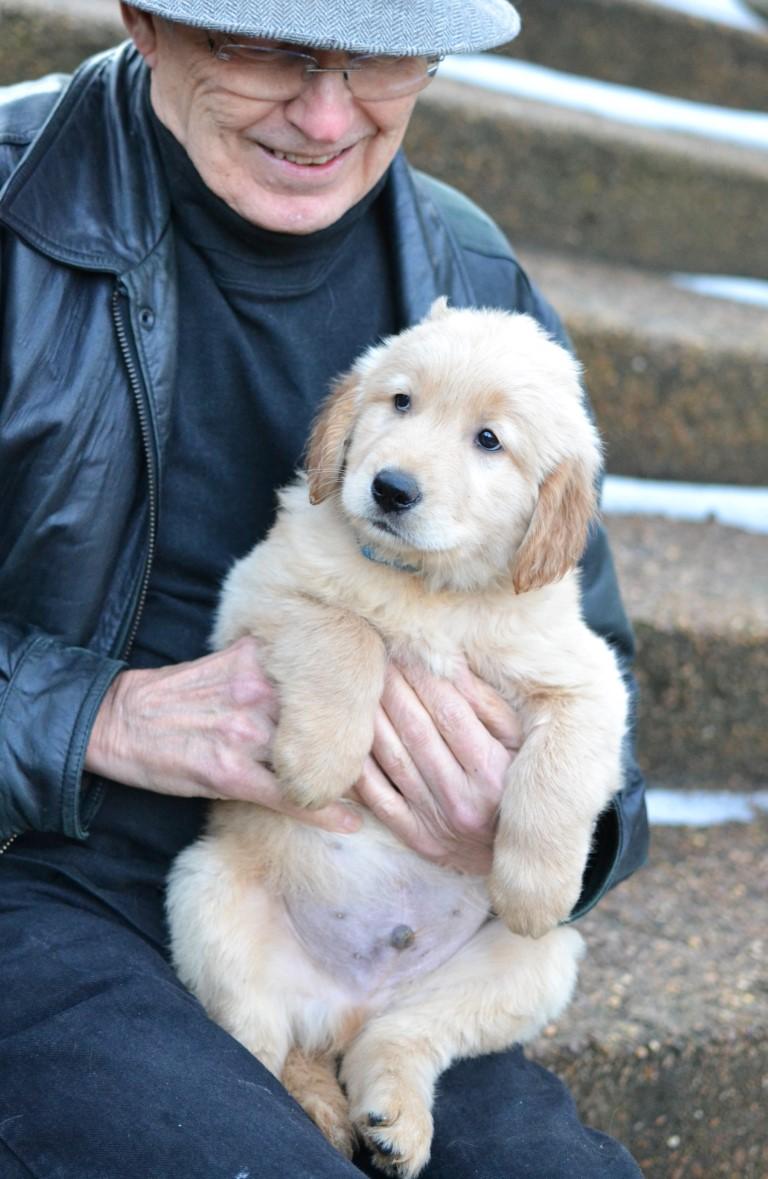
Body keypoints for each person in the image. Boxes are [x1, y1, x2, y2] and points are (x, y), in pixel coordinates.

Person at [0, 1, 649, 1175]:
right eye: (267, 48)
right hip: (48, 873)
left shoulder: (468, 268)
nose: (326, 113)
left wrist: (515, 817)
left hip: (394, 896)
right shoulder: (13, 209)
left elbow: (589, 655)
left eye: (381, 54)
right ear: (147, 22)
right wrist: (87, 715)